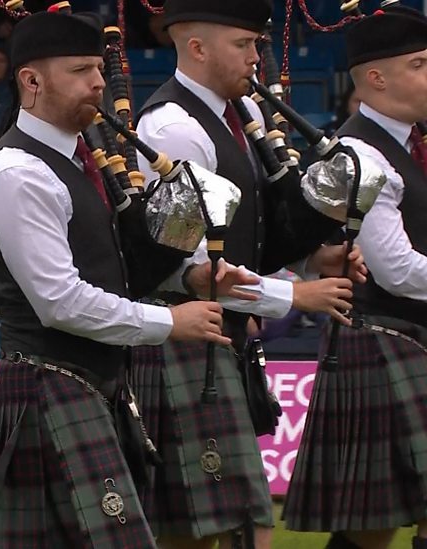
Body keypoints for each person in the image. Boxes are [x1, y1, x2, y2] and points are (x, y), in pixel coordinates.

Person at [0, 9, 248, 547]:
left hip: (97, 385)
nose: (98, 83)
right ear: (31, 81)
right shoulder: (20, 173)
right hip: (48, 387)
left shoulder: (82, 160)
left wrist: (193, 274)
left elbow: (112, 263)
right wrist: (168, 321)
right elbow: (59, 301)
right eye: (81, 70)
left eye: (100, 70)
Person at [131, 0, 366, 547]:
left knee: (241, 518)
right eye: (244, 45)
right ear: (197, 47)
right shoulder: (173, 129)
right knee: (193, 531)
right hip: (181, 336)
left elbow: (259, 229)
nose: (256, 57)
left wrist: (314, 259)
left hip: (224, 334)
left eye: (258, 44)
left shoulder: (245, 115)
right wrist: (296, 293)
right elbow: (192, 268)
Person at [283, 7, 427, 549]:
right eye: (420, 64)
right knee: (372, 526)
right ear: (375, 78)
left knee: (375, 522)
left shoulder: (416, 144)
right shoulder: (359, 154)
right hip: (387, 341)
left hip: (409, 340)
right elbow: (396, 270)